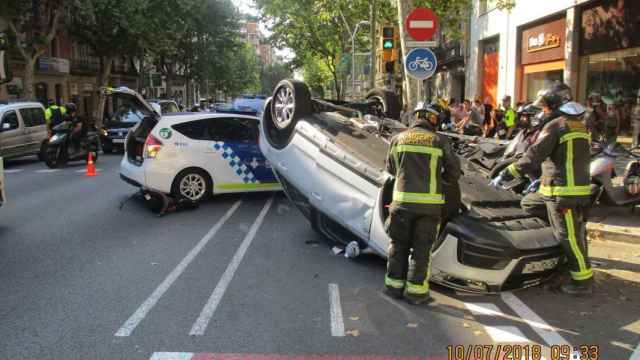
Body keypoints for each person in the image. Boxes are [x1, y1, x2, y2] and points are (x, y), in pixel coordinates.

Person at [491, 83, 594, 296]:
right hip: (571, 189)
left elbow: (533, 156)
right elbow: (566, 158)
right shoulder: (578, 125)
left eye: (545, 107)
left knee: (568, 236)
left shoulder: (555, 126)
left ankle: (582, 280)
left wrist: (507, 173)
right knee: (529, 203)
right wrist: (542, 180)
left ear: (556, 106)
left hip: (562, 193)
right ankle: (558, 255)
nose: (543, 111)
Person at [383, 102, 461, 305]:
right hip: (429, 208)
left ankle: (393, 287)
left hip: (400, 205)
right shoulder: (440, 140)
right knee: (421, 251)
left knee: (398, 246)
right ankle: (416, 294)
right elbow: (454, 174)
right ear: (433, 119)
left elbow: (391, 169)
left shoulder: (397, 139)